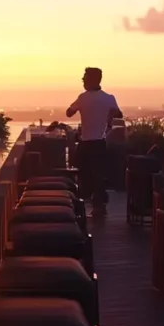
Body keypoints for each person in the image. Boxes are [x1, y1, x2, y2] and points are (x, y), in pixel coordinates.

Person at [66, 67, 122, 216]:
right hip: (100, 143)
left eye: (84, 77)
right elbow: (118, 113)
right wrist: (108, 120)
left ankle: (80, 204)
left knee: (81, 173)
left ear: (91, 79)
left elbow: (68, 112)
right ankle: (99, 205)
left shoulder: (82, 98)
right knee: (98, 175)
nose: (82, 80)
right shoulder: (109, 98)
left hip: (86, 143)